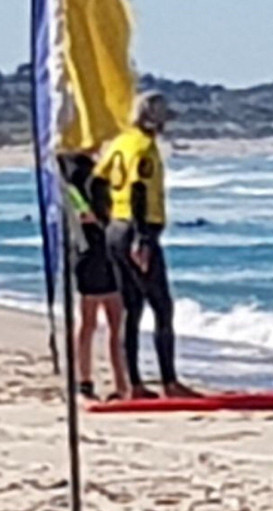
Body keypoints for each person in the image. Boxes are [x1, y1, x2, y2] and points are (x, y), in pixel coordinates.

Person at [94, 91, 198, 399]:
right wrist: (141, 239)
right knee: (162, 307)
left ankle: (134, 384)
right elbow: (139, 189)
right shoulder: (144, 148)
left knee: (132, 308)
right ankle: (169, 382)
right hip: (139, 232)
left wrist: (106, 219)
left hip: (116, 228)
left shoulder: (120, 142)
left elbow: (96, 182)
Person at [58, 153, 129, 402]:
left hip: (102, 249)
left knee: (113, 322)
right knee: (94, 319)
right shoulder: (75, 172)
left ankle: (120, 382)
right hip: (91, 250)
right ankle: (86, 381)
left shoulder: (100, 166)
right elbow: (82, 212)